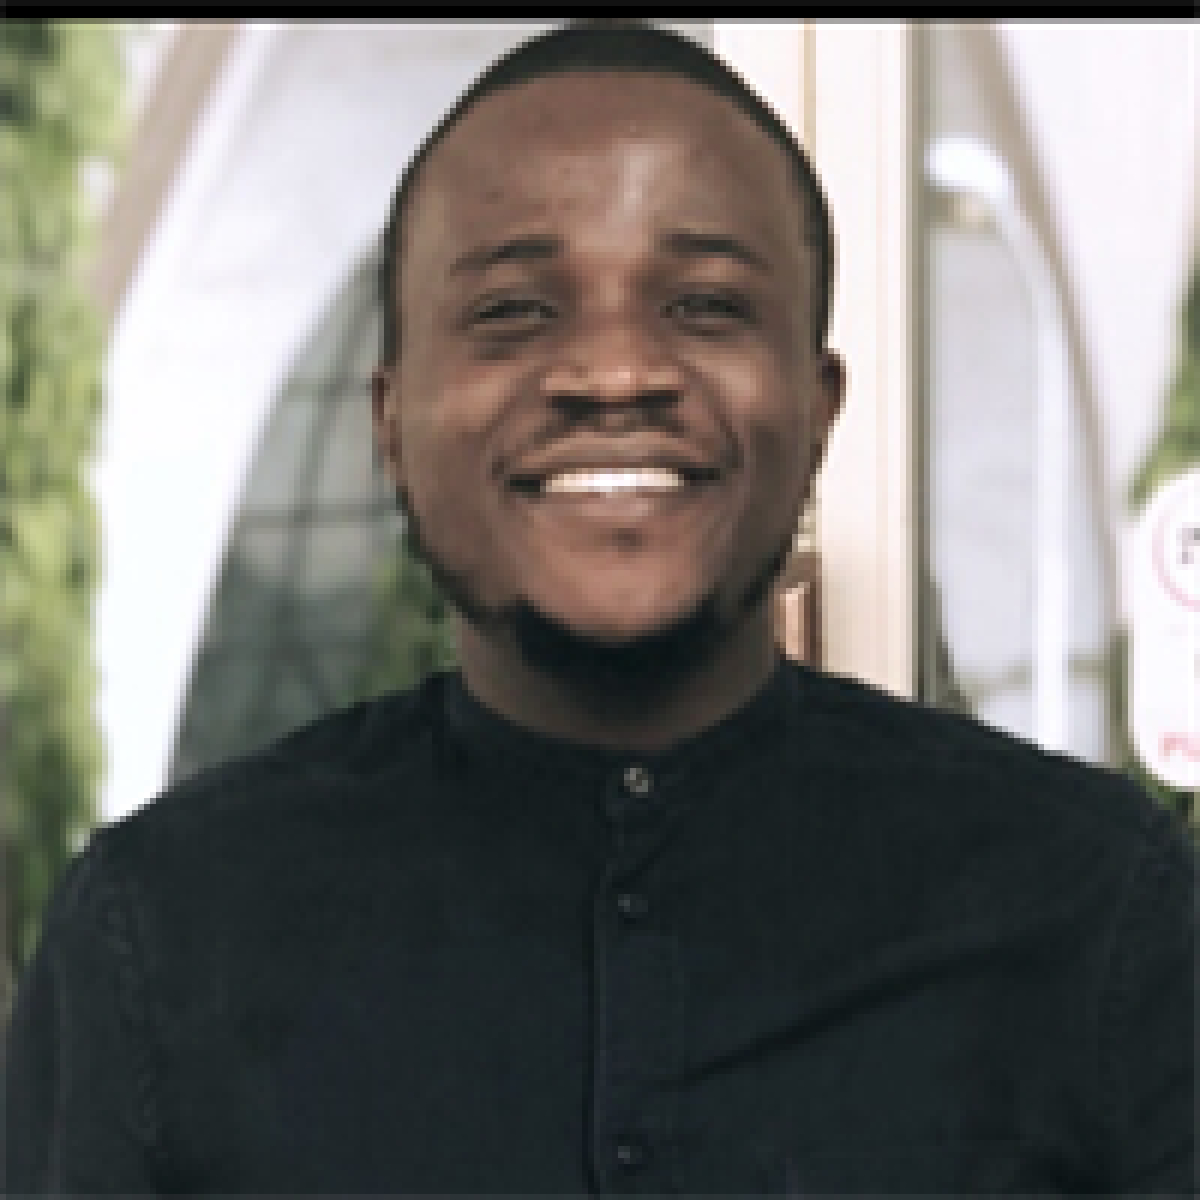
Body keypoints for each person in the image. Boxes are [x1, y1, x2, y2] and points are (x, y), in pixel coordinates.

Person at [3, 21, 1194, 1196]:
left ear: (819, 411)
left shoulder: (1094, 913)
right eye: (515, 311)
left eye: (707, 306)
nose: (616, 373)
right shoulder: (164, 937)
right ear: (391, 426)